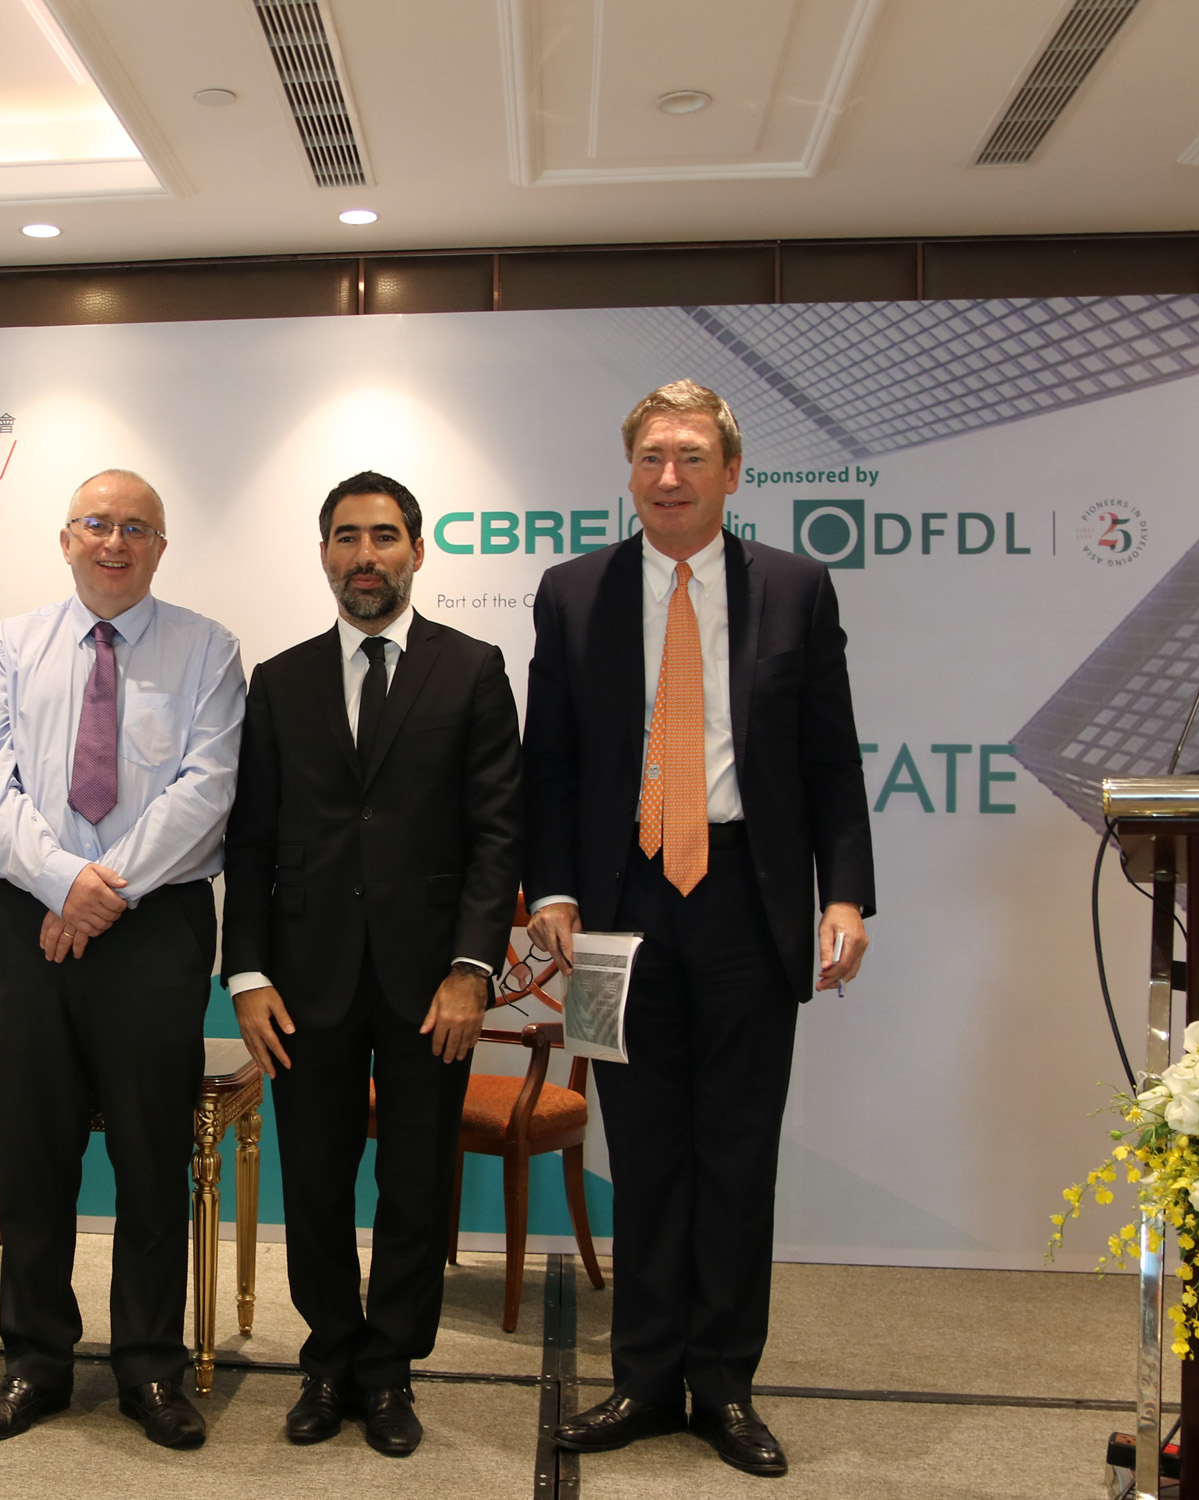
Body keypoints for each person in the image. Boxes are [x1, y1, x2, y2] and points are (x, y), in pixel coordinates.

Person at [527, 381, 874, 1477]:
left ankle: (722, 1383)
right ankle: (642, 1378)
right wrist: (552, 888)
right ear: (629, 473)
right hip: (621, 907)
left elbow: (830, 758)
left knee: (735, 1154)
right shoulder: (573, 591)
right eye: (650, 458)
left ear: (731, 472)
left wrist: (845, 895)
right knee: (643, 1154)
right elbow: (550, 763)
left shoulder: (796, 587)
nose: (668, 478)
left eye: (689, 457)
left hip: (746, 901)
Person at [222, 472, 521, 1458]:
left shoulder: (471, 669)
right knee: (314, 1181)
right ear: (323, 554)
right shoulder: (281, 680)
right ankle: (327, 1361)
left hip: (432, 982)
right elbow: (250, 840)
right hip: (303, 981)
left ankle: (389, 1368)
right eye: (346, 537)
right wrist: (247, 973)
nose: (365, 555)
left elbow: (496, 834)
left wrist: (473, 969)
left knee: (414, 1180)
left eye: (384, 536)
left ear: (416, 551)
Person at [0, 469, 244, 1449]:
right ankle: (35, 1362)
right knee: (32, 1154)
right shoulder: (11, 645)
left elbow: (206, 787)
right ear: (66, 538)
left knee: (151, 1157)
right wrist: (59, 883)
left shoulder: (208, 648)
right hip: (29, 924)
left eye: (136, 528)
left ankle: (150, 1367)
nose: (114, 542)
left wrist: (100, 889)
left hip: (154, 928)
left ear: (160, 547)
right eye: (97, 524)